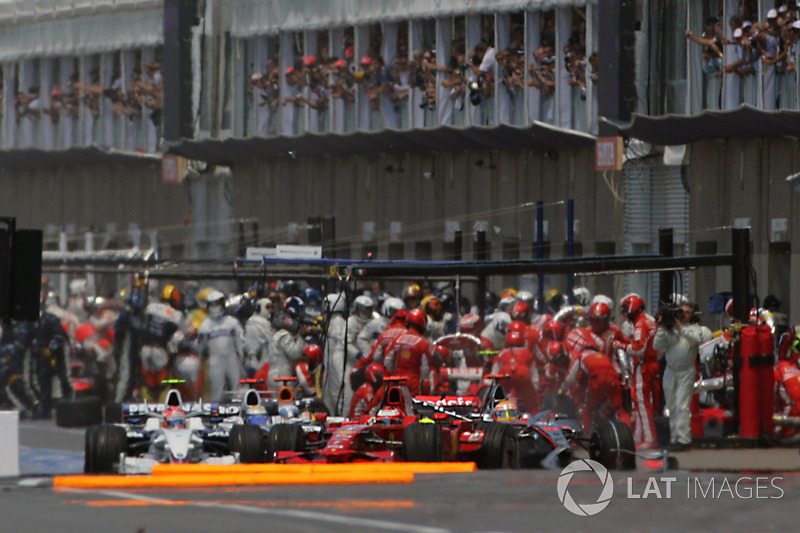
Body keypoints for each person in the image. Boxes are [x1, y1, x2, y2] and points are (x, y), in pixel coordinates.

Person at [652, 301, 704, 452]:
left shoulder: (695, 329)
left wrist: (680, 327)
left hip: (686, 370)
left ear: (692, 314)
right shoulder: (670, 330)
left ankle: (684, 439)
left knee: (682, 404)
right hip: (670, 370)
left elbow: (696, 340)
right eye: (681, 312)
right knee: (672, 405)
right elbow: (657, 345)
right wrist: (662, 327)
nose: (684, 315)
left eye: (687, 312)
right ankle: (674, 438)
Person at [613, 294, 659, 449]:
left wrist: (620, 345)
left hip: (644, 366)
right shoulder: (649, 321)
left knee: (643, 402)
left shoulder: (640, 324)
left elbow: (638, 349)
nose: (625, 314)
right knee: (641, 403)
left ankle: (650, 438)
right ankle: (639, 435)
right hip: (650, 364)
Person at [197, 290, 245, 402]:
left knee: (236, 390)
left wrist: (242, 360)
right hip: (215, 362)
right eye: (212, 304)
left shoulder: (232, 322)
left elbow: (240, 342)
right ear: (208, 306)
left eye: (217, 304)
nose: (215, 307)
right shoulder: (204, 326)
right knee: (216, 391)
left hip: (232, 360)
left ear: (223, 304)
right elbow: (200, 348)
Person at [32, 306, 71, 418]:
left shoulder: (51, 319)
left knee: (64, 377)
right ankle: (45, 408)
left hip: (60, 350)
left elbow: (60, 336)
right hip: (44, 353)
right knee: (44, 378)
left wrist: (51, 348)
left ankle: (69, 404)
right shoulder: (32, 323)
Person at [383, 308, 433, 395]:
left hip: (396, 381)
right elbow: (426, 368)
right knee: (412, 407)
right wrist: (420, 380)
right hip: (413, 382)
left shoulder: (396, 340)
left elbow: (387, 362)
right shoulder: (423, 343)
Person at [491, 330, 538, 413]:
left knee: (500, 394)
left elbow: (494, 373)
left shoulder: (501, 353)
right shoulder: (527, 352)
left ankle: (498, 411)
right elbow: (534, 375)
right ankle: (532, 414)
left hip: (505, 374)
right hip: (523, 375)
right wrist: (534, 389)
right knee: (530, 398)